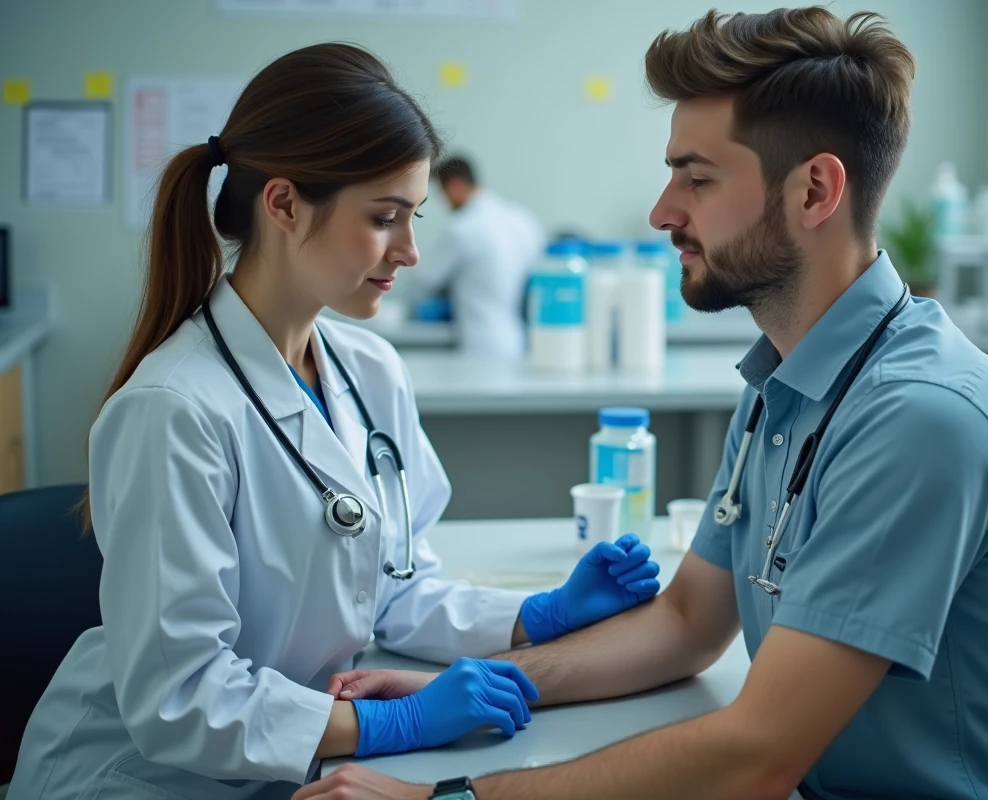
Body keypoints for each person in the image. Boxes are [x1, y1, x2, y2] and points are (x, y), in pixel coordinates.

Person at [298, 8, 988, 800]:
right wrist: (481, 684)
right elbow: (686, 624)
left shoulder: (921, 418)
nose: (663, 210)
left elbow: (757, 756)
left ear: (815, 190)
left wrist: (453, 798)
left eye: (697, 179)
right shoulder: (787, 375)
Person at [10, 43, 661, 800]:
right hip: (139, 780)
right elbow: (179, 697)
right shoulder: (173, 410)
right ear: (283, 204)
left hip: (297, 760)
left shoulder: (369, 370)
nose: (412, 252)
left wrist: (538, 615)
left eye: (414, 217)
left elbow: (391, 588)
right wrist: (399, 723)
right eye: (385, 218)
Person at [406, 155, 545, 359]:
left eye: (443, 194)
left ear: (454, 186)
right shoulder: (522, 219)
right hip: (521, 341)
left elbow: (425, 280)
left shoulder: (462, 227)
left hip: (481, 343)